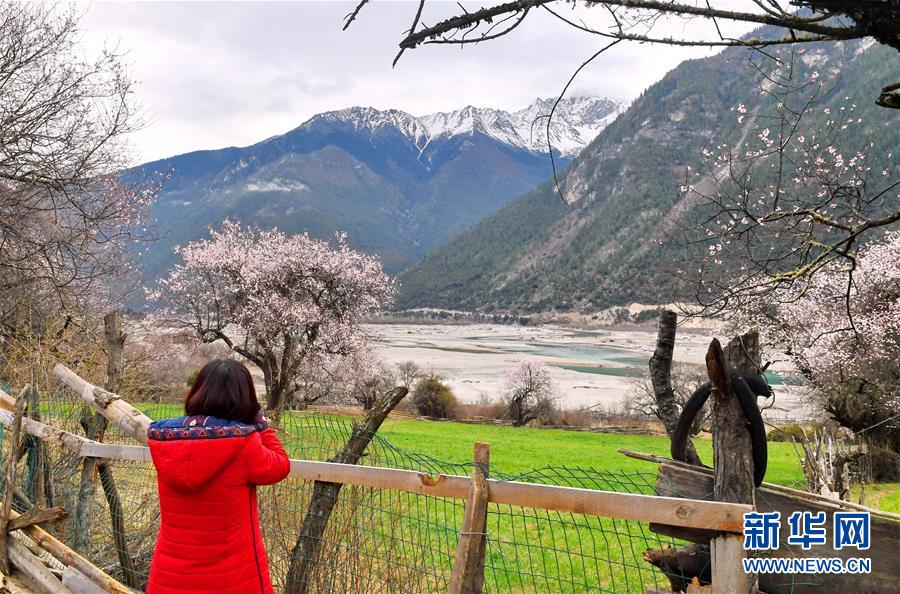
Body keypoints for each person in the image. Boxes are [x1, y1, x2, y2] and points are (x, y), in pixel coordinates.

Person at [146, 358, 290, 594]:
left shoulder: (164, 439)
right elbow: (280, 465)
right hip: (230, 578)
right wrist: (261, 425)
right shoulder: (243, 443)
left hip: (170, 577)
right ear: (245, 399)